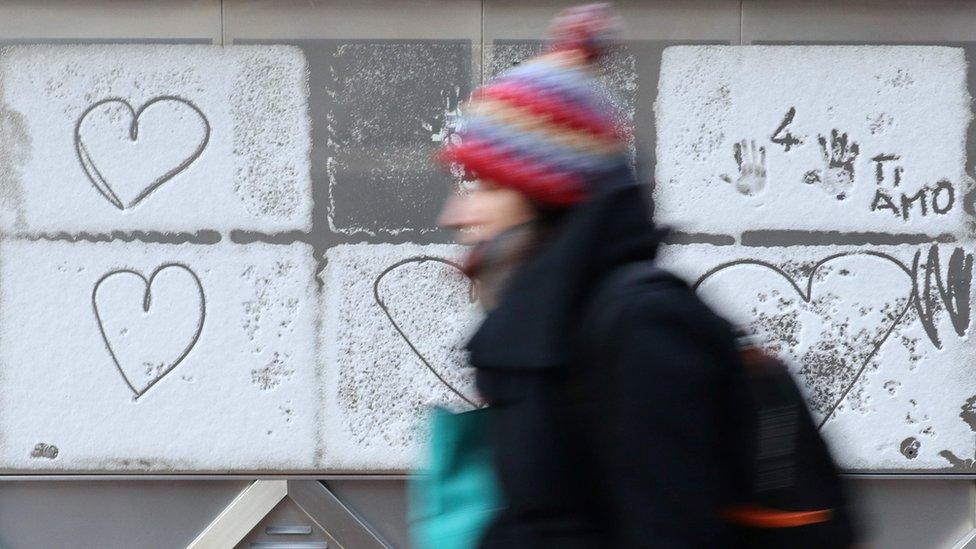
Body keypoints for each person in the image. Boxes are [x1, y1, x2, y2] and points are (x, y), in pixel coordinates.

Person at [435, 4, 758, 547]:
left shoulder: (640, 324)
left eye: (488, 187)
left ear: (545, 195)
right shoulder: (555, 320)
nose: (456, 215)